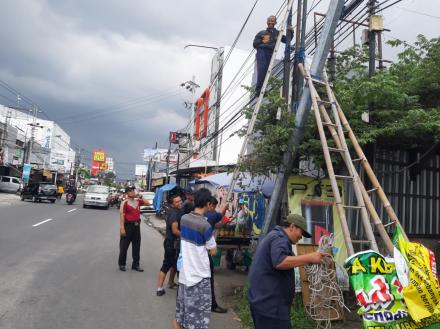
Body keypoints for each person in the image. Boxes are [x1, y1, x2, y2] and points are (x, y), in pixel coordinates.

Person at [248, 214, 327, 329]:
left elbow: (283, 260)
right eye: (301, 232)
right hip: (270, 308)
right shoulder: (280, 238)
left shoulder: (275, 236)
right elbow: (280, 262)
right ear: (292, 226)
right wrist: (310, 258)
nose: (301, 236)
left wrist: (307, 260)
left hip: (264, 304)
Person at [173, 188, 217, 329]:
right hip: (199, 278)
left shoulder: (184, 218)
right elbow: (213, 251)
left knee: (180, 316)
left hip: (185, 276)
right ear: (207, 203)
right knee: (197, 322)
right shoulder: (205, 225)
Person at [253, 15, 294, 94]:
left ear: (275, 22)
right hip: (262, 51)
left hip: (271, 53)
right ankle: (258, 90)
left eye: (272, 21)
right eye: (269, 20)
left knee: (267, 71)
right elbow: (255, 44)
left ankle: (263, 89)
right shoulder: (262, 33)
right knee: (262, 69)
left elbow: (286, 40)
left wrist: (291, 32)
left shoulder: (277, 33)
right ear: (267, 22)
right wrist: (263, 42)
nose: (271, 22)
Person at [205, 196, 229, 313]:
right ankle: (212, 305)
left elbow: (217, 225)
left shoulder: (198, 216)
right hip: (206, 252)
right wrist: (224, 208)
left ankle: (206, 303)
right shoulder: (210, 215)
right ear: (208, 204)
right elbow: (219, 215)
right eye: (213, 206)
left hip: (200, 252)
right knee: (209, 279)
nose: (214, 209)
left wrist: (224, 221)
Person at [118, 185, 151, 272]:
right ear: (126, 193)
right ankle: (122, 263)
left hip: (136, 227)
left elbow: (148, 203)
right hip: (128, 226)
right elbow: (122, 215)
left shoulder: (138, 201)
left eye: (133, 190)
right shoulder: (124, 203)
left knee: (136, 246)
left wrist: (140, 196)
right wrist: (122, 228)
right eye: (130, 190)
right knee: (124, 246)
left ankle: (135, 265)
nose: (132, 192)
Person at [156, 194, 183, 296]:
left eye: (180, 200)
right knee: (167, 264)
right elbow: (175, 231)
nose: (180, 202)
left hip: (173, 243)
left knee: (175, 264)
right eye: (177, 202)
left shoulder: (177, 211)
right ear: (173, 204)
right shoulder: (174, 214)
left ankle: (170, 283)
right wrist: (186, 236)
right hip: (172, 243)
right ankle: (159, 288)